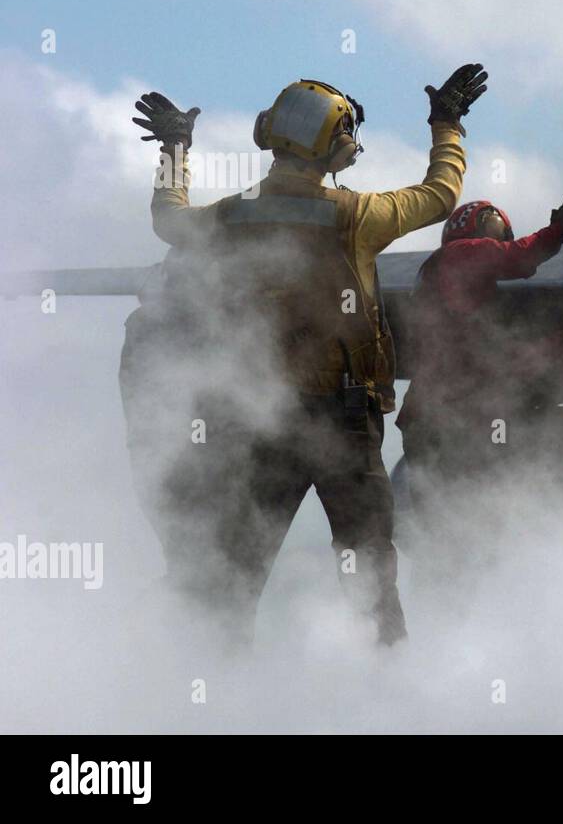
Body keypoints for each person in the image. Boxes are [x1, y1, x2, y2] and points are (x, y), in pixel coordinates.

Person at [125, 65, 486, 645]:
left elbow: (167, 217)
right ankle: (392, 698)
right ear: (338, 146)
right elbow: (441, 194)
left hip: (263, 419)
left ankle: (208, 695)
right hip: (345, 424)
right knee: (369, 577)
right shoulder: (357, 217)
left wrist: (174, 144)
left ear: (268, 133)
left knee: (233, 577)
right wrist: (447, 123)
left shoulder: (229, 218)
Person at [395, 185, 563, 535]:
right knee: (482, 529)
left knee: (447, 534)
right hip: (456, 426)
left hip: (431, 423)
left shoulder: (442, 283)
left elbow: (497, 359)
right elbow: (519, 258)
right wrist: (561, 229)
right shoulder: (460, 255)